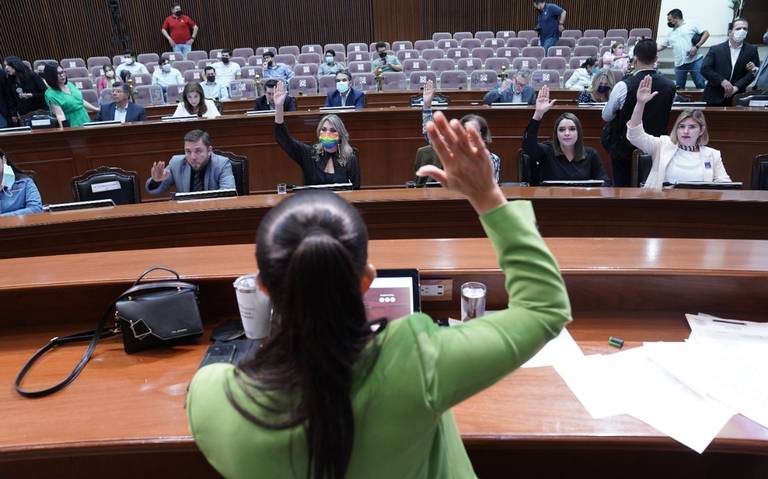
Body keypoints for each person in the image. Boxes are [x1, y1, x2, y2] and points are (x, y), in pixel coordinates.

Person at [186, 107, 571, 479]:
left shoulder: (213, 398)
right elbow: (544, 309)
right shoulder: (419, 362)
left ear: (264, 288)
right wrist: (487, 195)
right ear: (366, 279)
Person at [627, 75, 731, 189]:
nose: (685, 131)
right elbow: (635, 135)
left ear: (701, 130)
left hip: (699, 200)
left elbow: (725, 185)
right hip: (663, 199)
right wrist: (640, 103)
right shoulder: (662, 145)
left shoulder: (713, 155)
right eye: (681, 126)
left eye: (692, 127)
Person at [602, 38, 675, 186]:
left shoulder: (623, 85)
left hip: (624, 149)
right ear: (656, 59)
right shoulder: (670, 86)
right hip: (656, 149)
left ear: (634, 59)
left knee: (622, 190)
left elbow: (606, 116)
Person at [272, 81, 361, 189]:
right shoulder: (310, 154)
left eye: (332, 130)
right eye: (324, 129)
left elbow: (355, 189)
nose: (327, 133)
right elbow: (283, 138)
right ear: (319, 133)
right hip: (313, 199)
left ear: (340, 135)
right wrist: (279, 107)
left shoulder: (350, 158)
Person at [523, 85, 610, 186]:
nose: (567, 133)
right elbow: (528, 146)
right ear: (556, 134)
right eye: (562, 130)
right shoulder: (547, 151)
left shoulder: (591, 154)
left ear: (578, 133)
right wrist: (538, 114)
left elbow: (605, 182)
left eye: (572, 129)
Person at [420, 80, 501, 184]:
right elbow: (432, 135)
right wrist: (427, 106)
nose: (469, 135)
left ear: (483, 135)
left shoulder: (492, 159)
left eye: (474, 131)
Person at [145, 129, 234, 195]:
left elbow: (227, 193)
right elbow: (156, 190)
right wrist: (156, 181)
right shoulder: (176, 163)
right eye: (188, 151)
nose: (193, 157)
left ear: (209, 150)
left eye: (198, 151)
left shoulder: (222, 164)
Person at [700, 18, 760, 106]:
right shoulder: (716, 49)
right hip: (713, 96)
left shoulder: (752, 50)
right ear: (730, 32)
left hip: (737, 97)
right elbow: (705, 69)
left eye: (745, 29)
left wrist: (736, 87)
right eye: (738, 28)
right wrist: (722, 81)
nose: (742, 31)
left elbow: (753, 73)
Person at [657, 9, 709, 89]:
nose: (668, 22)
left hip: (695, 60)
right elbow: (660, 47)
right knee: (679, 88)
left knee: (700, 84)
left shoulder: (692, 23)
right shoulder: (670, 34)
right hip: (679, 64)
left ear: (676, 18)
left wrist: (696, 47)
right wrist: (648, 45)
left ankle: (703, 97)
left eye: (669, 20)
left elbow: (706, 33)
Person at [3, 56, 47, 124]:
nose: (6, 68)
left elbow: (45, 93)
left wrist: (32, 95)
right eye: (5, 65)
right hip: (24, 114)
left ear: (15, 64)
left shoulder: (32, 76)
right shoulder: (10, 80)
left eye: (8, 65)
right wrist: (13, 114)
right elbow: (11, 99)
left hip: (39, 111)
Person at [1, 150, 42, 216]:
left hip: (21, 222)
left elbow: (36, 209)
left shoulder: (25, 182)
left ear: (4, 160)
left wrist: (3, 218)